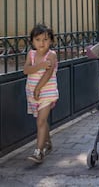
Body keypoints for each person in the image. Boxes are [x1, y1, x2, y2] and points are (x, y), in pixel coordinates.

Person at [24, 24, 59, 164]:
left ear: (50, 41)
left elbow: (48, 73)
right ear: (32, 41)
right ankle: (47, 142)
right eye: (38, 39)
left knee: (40, 121)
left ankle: (39, 152)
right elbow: (26, 70)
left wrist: (38, 88)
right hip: (31, 93)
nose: (42, 43)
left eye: (45, 39)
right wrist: (39, 66)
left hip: (47, 93)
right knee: (41, 121)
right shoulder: (31, 55)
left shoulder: (51, 55)